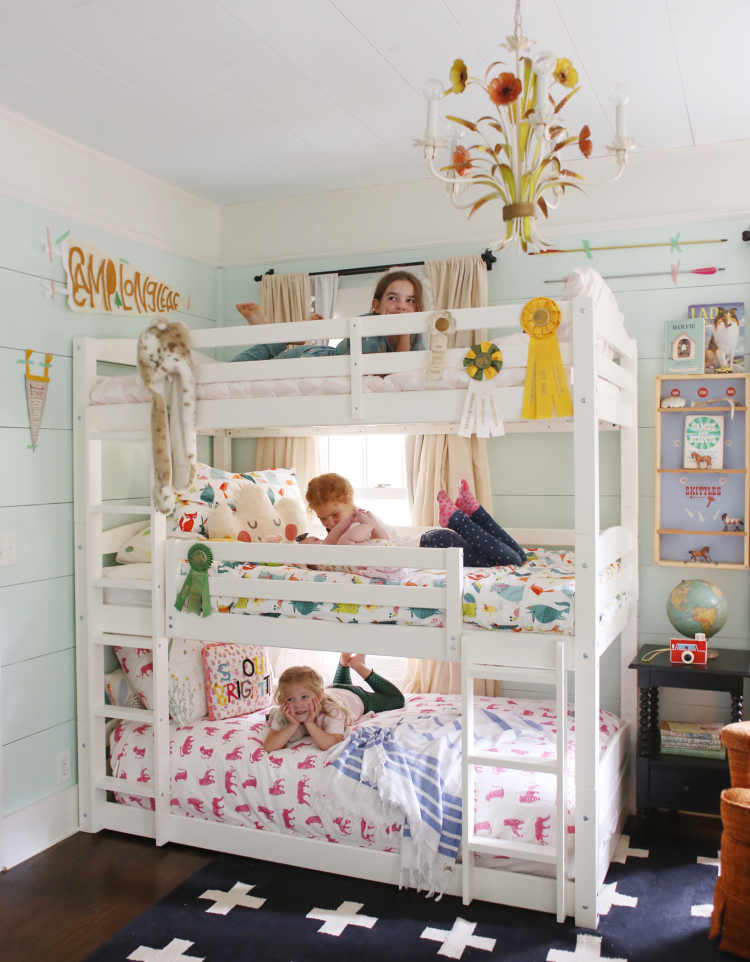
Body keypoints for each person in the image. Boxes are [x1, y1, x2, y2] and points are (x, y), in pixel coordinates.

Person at [231, 270, 424, 362]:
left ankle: (272, 333)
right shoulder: (366, 327)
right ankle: (282, 338)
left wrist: (405, 333)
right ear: (376, 305)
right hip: (311, 359)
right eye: (393, 298)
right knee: (235, 368)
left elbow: (409, 370)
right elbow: (387, 370)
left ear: (417, 308)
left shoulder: (415, 334)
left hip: (323, 357)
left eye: (410, 301)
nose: (401, 307)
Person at [263, 653, 405, 751]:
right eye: (290, 699)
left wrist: (310, 723)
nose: (298, 705)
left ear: (318, 696)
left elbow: (331, 743)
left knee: (397, 699)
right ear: (283, 701)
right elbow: (269, 746)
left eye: (304, 697)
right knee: (337, 686)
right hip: (333, 689)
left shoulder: (332, 711)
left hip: (355, 697)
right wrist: (293, 725)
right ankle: (344, 663)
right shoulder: (284, 712)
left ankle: (360, 666)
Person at [419, 479, 527, 567]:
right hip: (433, 544)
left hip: (432, 542)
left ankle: (464, 515)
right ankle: (466, 515)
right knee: (516, 560)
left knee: (520, 558)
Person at [300, 472, 394, 545]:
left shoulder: (361, 522)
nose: (329, 522)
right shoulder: (336, 526)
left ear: (349, 502)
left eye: (335, 515)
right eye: (322, 518)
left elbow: (381, 543)